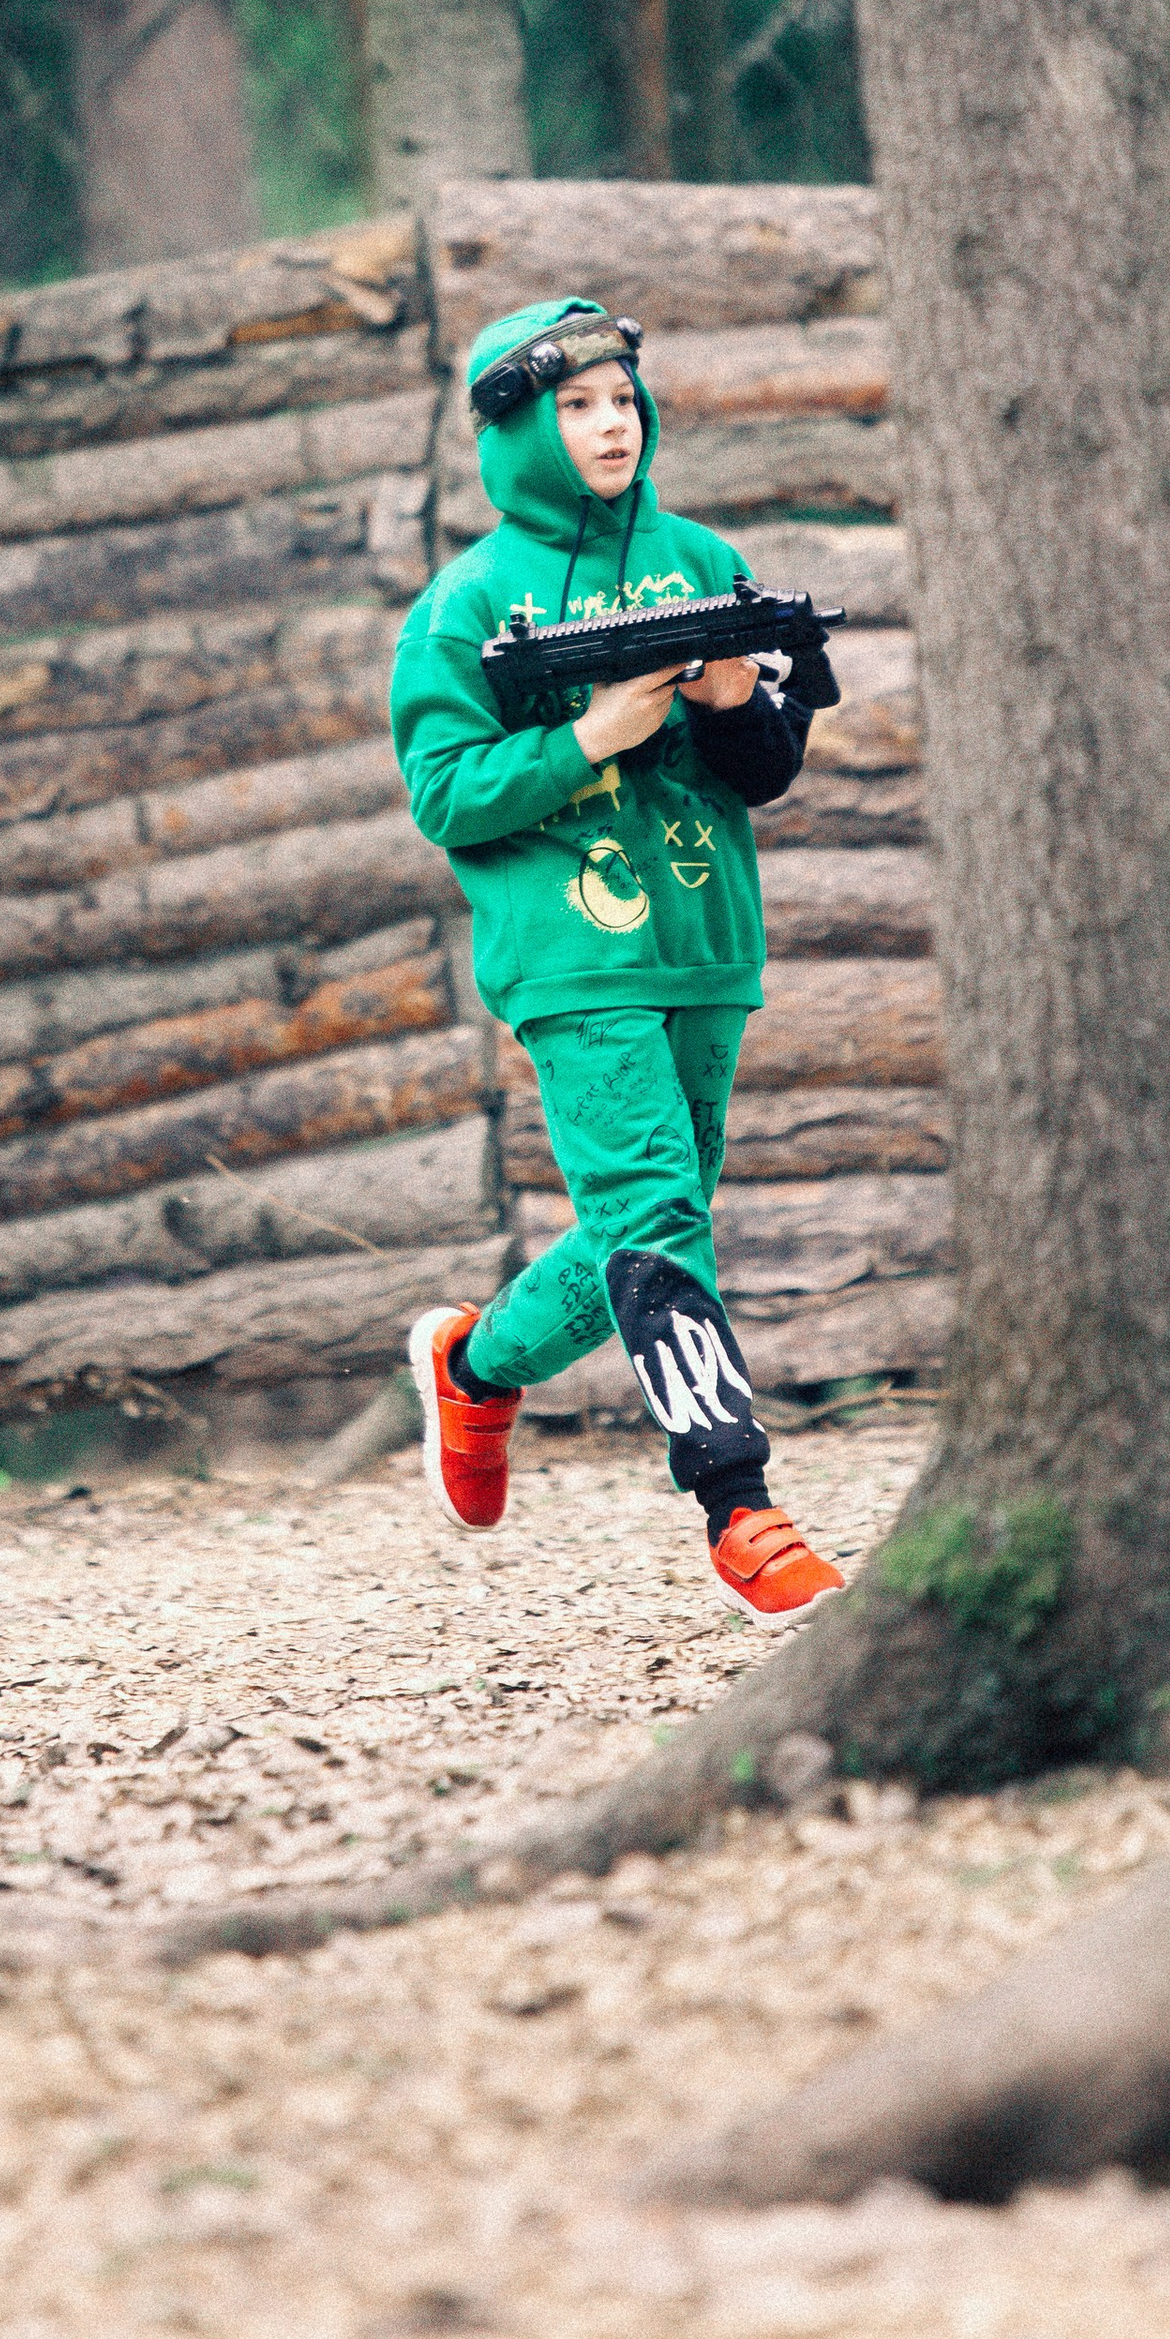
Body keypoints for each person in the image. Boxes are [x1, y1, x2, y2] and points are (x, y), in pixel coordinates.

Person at [393, 300, 847, 1620]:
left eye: (624, 401)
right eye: (580, 406)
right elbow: (445, 793)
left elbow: (763, 773)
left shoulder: (700, 558)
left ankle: (479, 1368)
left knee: (649, 1223)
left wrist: (725, 698)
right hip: (572, 960)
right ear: (526, 428)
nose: (611, 425)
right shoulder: (466, 605)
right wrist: (587, 737)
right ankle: (737, 1502)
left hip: (707, 948)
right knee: (659, 1217)